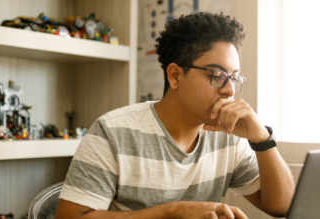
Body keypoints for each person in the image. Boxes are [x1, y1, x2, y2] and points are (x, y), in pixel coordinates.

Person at [55, 12, 295, 219]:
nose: (229, 89)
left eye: (233, 77)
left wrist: (261, 139)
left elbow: (281, 206)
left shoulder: (228, 136)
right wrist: (172, 212)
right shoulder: (113, 131)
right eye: (216, 75)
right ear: (175, 76)